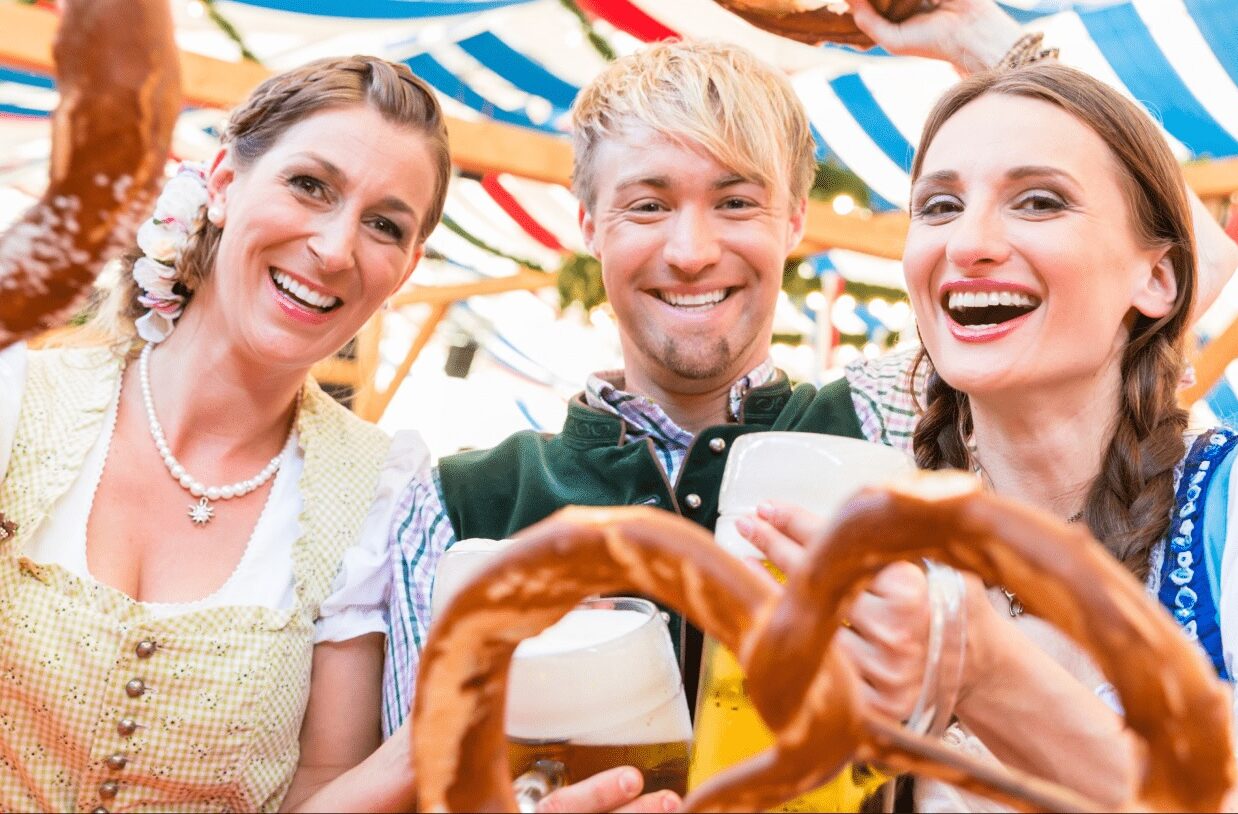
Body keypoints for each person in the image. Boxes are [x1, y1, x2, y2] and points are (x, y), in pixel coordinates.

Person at [383, 2, 1238, 811]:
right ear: (587, 223)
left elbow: (1159, 251)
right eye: (647, 203)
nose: (691, 250)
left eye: (736, 201)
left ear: (796, 220)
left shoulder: (885, 422)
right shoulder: (459, 501)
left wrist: (987, 44)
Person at [738, 63, 1238, 811]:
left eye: (1039, 202)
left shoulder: (1222, 513)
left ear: (1158, 280)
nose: (968, 243)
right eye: (938, 206)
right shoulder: (862, 513)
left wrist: (982, 668)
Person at [0, 55, 451, 811]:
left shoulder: (377, 493)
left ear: (403, 270)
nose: (337, 249)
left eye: (384, 225)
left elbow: (320, 787)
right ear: (222, 183)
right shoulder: (16, 402)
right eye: (310, 185)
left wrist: (445, 733)